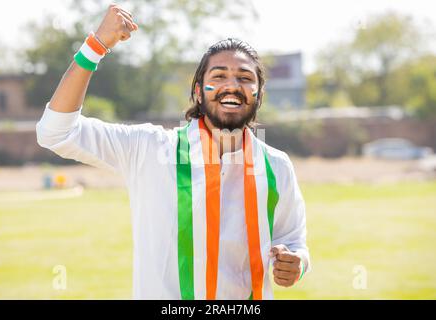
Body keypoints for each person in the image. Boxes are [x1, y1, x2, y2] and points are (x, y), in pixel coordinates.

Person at [36, 3, 310, 300]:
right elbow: (56, 131)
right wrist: (96, 45)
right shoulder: (148, 148)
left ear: (258, 94)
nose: (232, 85)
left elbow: (293, 241)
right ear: (197, 91)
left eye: (245, 78)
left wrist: (297, 264)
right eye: (218, 76)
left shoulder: (276, 166)